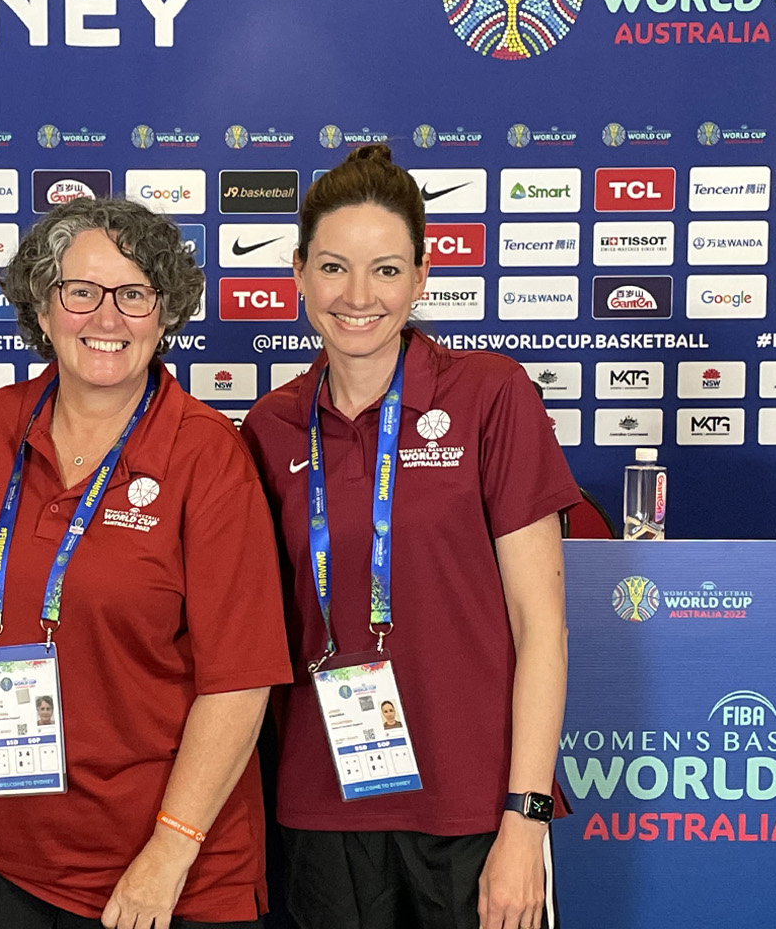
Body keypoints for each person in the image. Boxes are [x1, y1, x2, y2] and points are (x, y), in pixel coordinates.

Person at [0, 197, 293, 929]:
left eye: (134, 294)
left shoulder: (208, 456)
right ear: (44, 309)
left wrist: (169, 853)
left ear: (165, 312)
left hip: (156, 866)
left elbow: (241, 681)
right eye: (80, 292)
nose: (107, 318)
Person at [241, 145, 577, 929]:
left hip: (474, 811)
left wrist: (524, 819)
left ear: (421, 278)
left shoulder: (491, 396)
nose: (358, 296)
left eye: (387, 270)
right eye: (333, 267)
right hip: (324, 809)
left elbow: (542, 628)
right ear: (297, 275)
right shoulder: (270, 426)